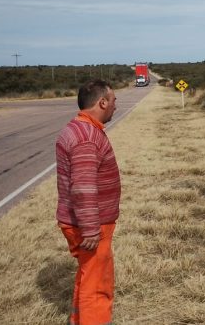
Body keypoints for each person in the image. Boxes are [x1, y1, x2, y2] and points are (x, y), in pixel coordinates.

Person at [55, 79, 120, 325]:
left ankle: (77, 320)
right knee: (97, 286)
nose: (116, 106)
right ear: (102, 102)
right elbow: (83, 188)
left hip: (81, 222)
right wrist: (91, 228)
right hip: (90, 226)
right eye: (114, 101)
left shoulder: (77, 129)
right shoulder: (87, 137)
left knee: (87, 275)